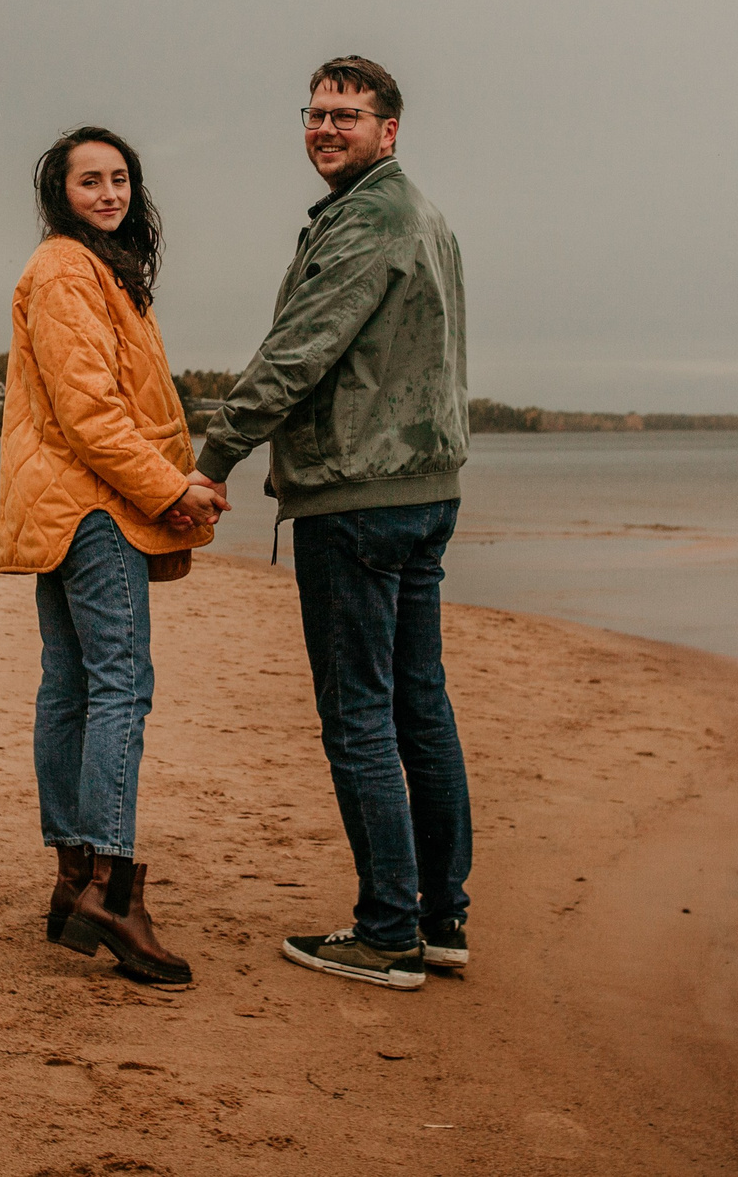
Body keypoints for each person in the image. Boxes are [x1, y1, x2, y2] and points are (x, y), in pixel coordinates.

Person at [188, 56, 472, 992]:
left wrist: (215, 453)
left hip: (359, 496)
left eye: (347, 115)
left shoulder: (369, 222)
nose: (325, 127)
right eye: (314, 112)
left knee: (359, 715)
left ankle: (389, 929)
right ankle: (440, 917)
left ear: (389, 131)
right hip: (425, 488)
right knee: (417, 705)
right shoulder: (422, 217)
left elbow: (297, 353)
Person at [0, 125, 224, 988]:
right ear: (59, 192)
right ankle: (111, 887)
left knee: (74, 681)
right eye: (89, 180)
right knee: (120, 683)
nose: (109, 192)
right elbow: (91, 413)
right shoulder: (65, 269)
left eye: (119, 177)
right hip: (92, 505)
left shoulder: (97, 269)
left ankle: (71, 882)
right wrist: (173, 487)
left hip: (63, 499)